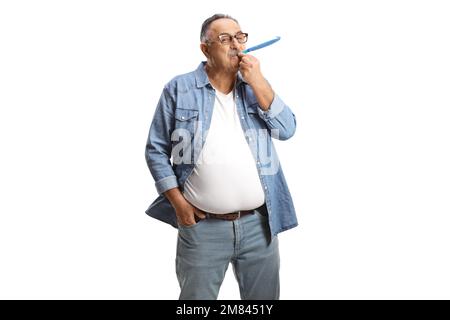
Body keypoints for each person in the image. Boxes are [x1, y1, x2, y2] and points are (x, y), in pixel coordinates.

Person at [145, 13, 298, 300]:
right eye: (225, 39)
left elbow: (287, 129)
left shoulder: (255, 88)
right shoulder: (179, 88)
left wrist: (258, 81)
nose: (236, 45)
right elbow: (155, 150)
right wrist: (179, 204)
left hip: (259, 228)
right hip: (202, 229)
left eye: (240, 37)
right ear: (205, 48)